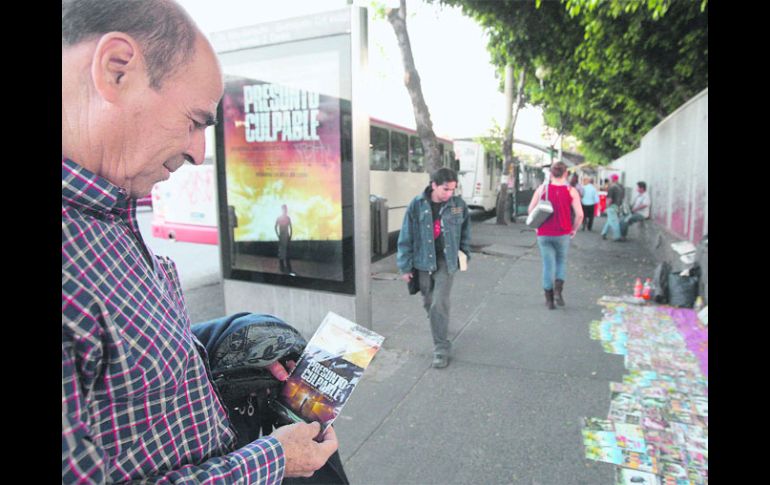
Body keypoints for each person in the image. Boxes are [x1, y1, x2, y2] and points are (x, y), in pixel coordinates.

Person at [62, 1, 339, 483]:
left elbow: (128, 375)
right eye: (194, 120)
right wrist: (274, 459)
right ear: (116, 69)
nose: (198, 151)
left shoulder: (108, 207)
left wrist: (233, 344)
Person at [397, 167, 471, 369]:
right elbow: (406, 235)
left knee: (439, 302)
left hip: (446, 261)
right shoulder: (417, 205)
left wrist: (464, 253)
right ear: (434, 185)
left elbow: (465, 231)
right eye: (445, 189)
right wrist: (405, 266)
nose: (449, 194)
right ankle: (439, 325)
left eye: (452, 190)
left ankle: (441, 347)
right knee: (429, 302)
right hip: (422, 261)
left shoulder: (458, 205)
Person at [527, 161, 584, 309]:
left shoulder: (542, 189)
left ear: (551, 174)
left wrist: (536, 226)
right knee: (561, 262)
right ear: (565, 174)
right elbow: (579, 215)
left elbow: (531, 209)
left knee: (547, 265)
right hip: (563, 233)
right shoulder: (571, 191)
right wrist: (574, 229)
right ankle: (558, 292)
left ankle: (549, 300)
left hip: (544, 233)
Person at [600, 174, 625, 242]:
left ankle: (617, 236)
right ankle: (604, 233)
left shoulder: (612, 187)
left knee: (614, 222)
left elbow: (609, 199)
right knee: (610, 220)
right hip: (618, 205)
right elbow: (623, 197)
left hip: (612, 206)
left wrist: (606, 207)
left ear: (612, 179)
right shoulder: (621, 187)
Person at [275, 204, 294, 273]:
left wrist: (290, 236)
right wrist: (278, 235)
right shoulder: (279, 218)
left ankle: (287, 266)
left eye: (286, 209)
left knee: (287, 251)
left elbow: (290, 228)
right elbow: (275, 226)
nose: (285, 210)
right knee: (281, 251)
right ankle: (282, 265)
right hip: (282, 236)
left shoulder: (288, 218)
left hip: (286, 236)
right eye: (284, 209)